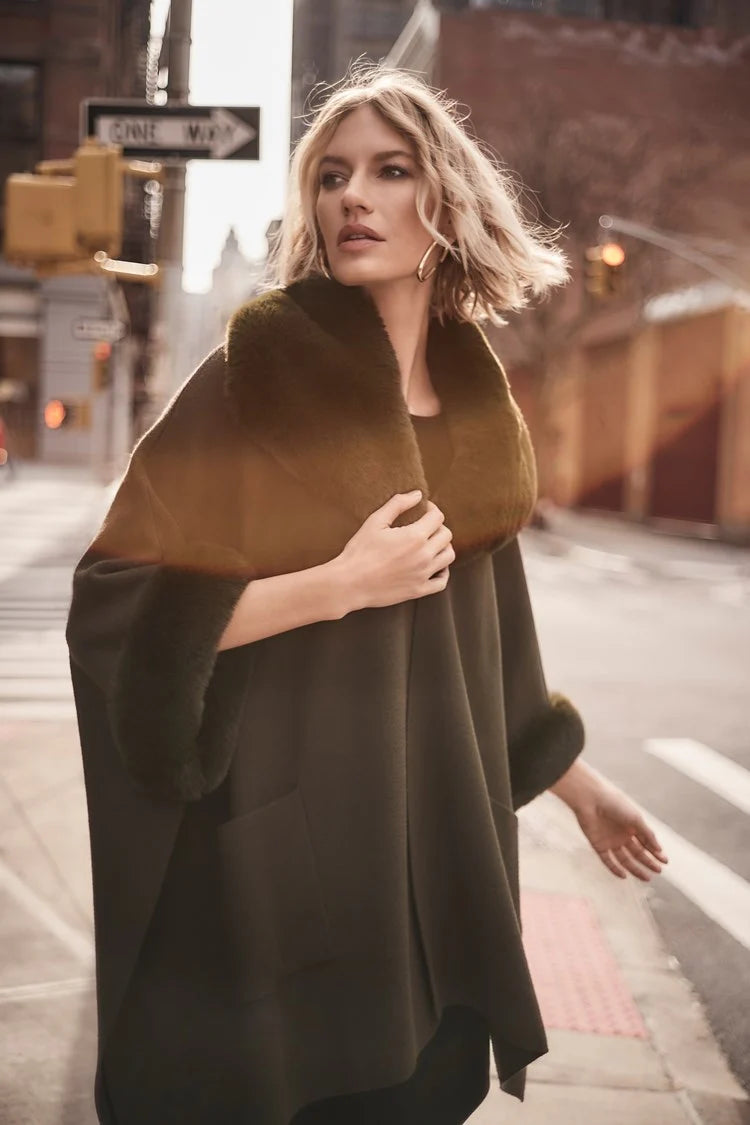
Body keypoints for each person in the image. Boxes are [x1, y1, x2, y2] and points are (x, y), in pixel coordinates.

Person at [66, 63, 668, 1125]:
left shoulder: (482, 404)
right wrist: (335, 587)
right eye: (334, 174)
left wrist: (581, 789)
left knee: (427, 1087)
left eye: (390, 170)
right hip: (284, 860)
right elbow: (118, 602)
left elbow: (497, 655)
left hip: (442, 862)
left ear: (445, 199)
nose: (354, 196)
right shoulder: (259, 374)